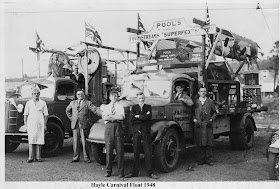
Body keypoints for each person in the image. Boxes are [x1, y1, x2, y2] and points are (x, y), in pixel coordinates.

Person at [125, 92, 158, 179]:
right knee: (136, 151)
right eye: (139, 98)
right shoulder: (134, 107)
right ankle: (134, 172)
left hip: (146, 131)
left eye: (142, 98)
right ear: (137, 99)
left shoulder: (148, 107)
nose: (141, 99)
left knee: (148, 151)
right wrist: (143, 116)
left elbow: (149, 117)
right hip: (136, 131)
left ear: (144, 98)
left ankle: (150, 172)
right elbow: (131, 119)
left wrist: (138, 116)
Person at [65, 89, 101, 163]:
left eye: (81, 94)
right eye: (78, 94)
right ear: (76, 95)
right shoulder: (73, 103)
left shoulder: (87, 103)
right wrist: (71, 118)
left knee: (85, 142)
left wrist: (103, 113)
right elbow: (67, 110)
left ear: (84, 95)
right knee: (75, 142)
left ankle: (86, 158)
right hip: (75, 124)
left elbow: (95, 110)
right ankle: (75, 157)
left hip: (84, 124)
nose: (80, 95)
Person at [102, 90, 125, 178]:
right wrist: (115, 117)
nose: (114, 98)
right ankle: (108, 171)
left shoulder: (120, 107)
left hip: (118, 128)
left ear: (117, 97)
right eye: (112, 96)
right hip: (109, 128)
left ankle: (121, 172)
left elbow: (121, 117)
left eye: (116, 96)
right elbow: (104, 117)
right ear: (110, 97)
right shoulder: (106, 107)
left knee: (119, 150)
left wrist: (111, 117)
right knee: (109, 151)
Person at [23, 87, 49, 163]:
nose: (36, 95)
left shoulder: (43, 102)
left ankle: (38, 157)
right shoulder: (29, 103)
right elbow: (25, 115)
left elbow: (46, 115)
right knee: (31, 140)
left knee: (39, 140)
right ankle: (30, 157)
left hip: (40, 123)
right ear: (32, 94)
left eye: (37, 93)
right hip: (31, 124)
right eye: (34, 94)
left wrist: (44, 125)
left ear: (39, 94)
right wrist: (25, 125)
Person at [193, 87, 217, 166]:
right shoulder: (196, 102)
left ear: (206, 92)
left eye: (204, 91)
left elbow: (215, 113)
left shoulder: (210, 102)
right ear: (198, 92)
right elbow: (192, 113)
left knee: (209, 143)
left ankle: (209, 160)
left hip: (207, 124)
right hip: (199, 125)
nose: (203, 93)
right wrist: (194, 120)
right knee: (200, 143)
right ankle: (201, 159)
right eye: (201, 91)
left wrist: (211, 120)